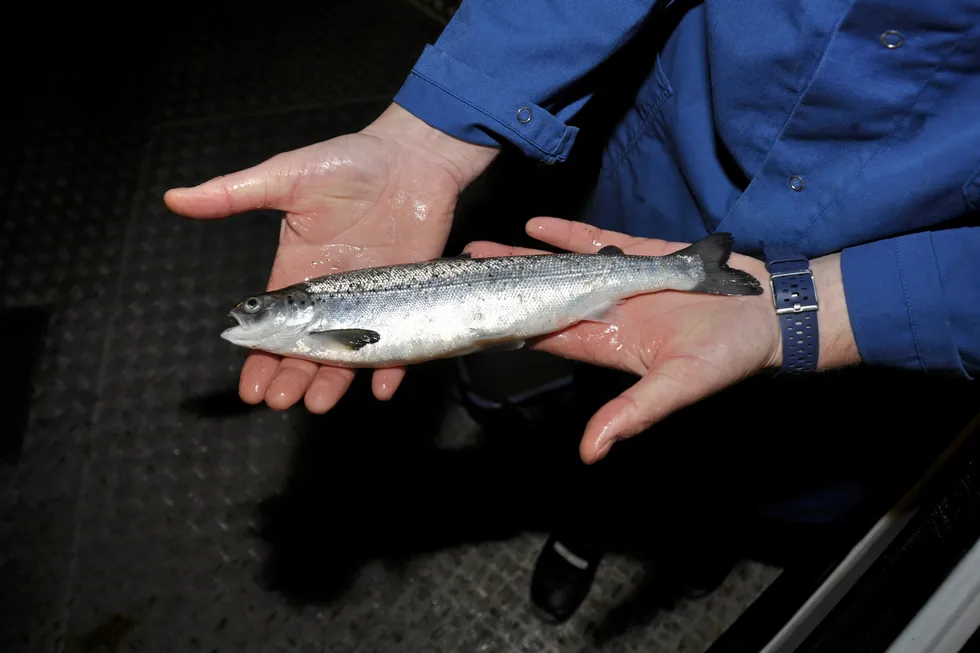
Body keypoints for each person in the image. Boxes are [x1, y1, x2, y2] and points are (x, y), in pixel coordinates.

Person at [165, 1, 980, 624]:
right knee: (600, 406)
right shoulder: (323, 318)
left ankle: (696, 544)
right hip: (666, 174)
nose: (244, 318)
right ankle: (588, 526)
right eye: (251, 308)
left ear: (289, 308)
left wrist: (828, 311)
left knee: (791, 458)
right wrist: (432, 131)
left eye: (254, 309)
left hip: (911, 269)